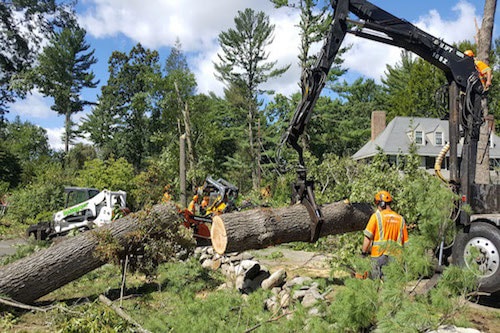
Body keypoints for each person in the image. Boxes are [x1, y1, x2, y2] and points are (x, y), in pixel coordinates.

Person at [362, 190, 409, 279]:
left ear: (382, 204)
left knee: (376, 286)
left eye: (377, 204)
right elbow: (406, 243)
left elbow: (367, 238)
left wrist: (363, 253)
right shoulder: (401, 219)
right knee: (392, 288)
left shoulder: (376, 216)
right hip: (396, 257)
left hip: (378, 256)